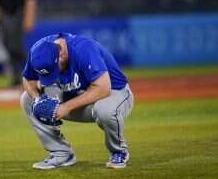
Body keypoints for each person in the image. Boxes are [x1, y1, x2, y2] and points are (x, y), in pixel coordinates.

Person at [20, 33, 134, 170]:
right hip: (76, 95)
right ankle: (61, 153)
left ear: (61, 54)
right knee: (27, 100)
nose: (52, 76)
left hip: (114, 93)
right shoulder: (38, 51)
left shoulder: (84, 49)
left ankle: (118, 151)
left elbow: (103, 88)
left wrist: (66, 107)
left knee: (105, 110)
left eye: (54, 71)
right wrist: (38, 99)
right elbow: (27, 79)